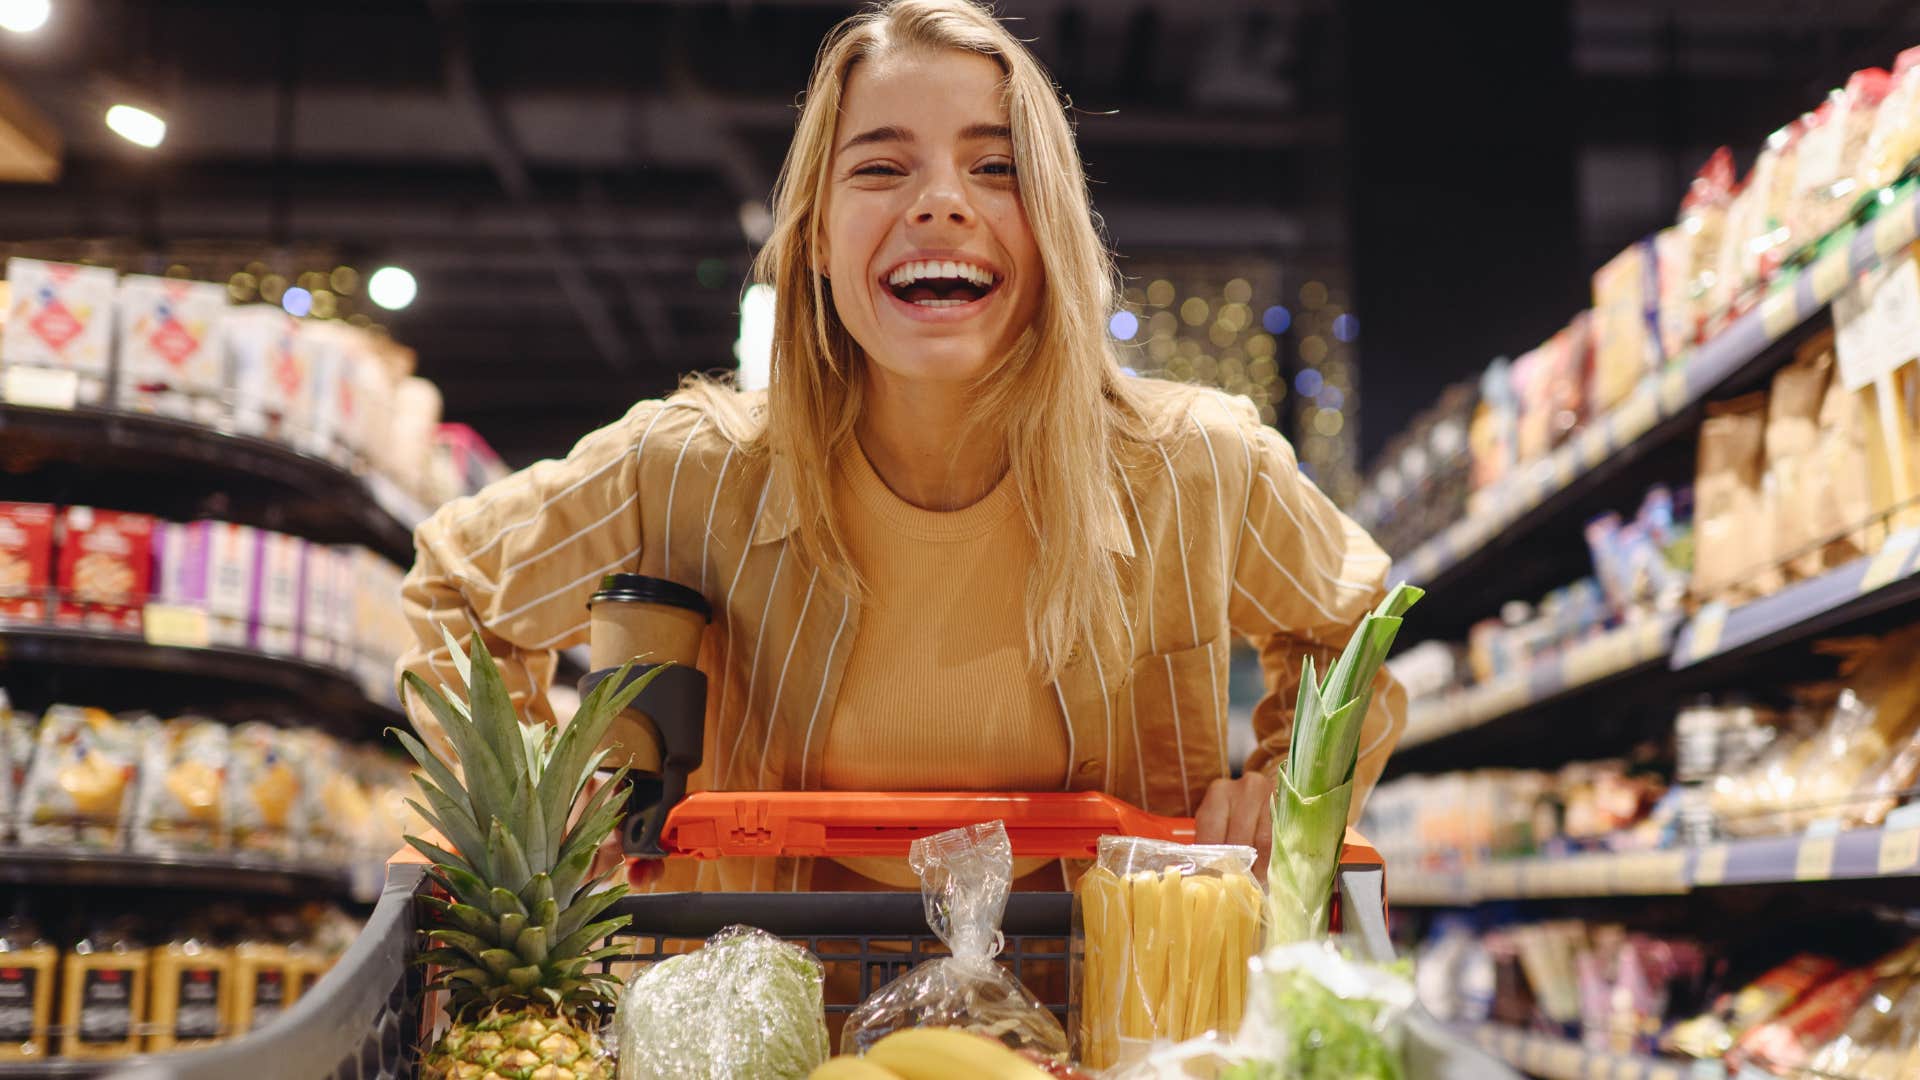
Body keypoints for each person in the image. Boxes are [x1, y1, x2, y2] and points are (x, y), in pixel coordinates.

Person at [397, 0, 1405, 893]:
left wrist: (1287, 787)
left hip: (1105, 1015)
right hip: (769, 1018)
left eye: (996, 167)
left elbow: (1353, 625)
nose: (940, 201)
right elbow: (457, 586)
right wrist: (536, 796)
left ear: (1054, 228)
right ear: (815, 240)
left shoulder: (1197, 466)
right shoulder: (689, 469)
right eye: (881, 167)